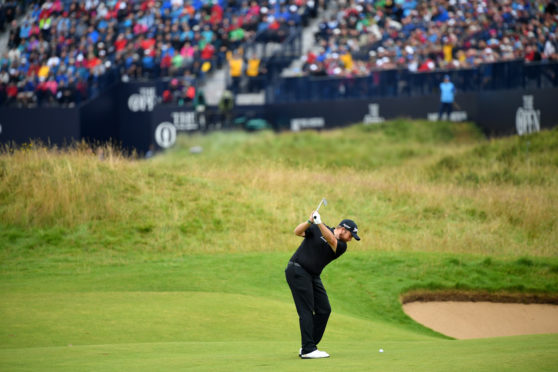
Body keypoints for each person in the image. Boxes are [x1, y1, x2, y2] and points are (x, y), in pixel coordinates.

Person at [285, 208, 360, 359]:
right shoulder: (317, 228)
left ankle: (308, 345)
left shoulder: (341, 246)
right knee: (306, 310)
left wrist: (319, 223)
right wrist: (309, 222)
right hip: (298, 270)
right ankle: (308, 349)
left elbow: (331, 239)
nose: (351, 239)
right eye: (351, 235)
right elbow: (297, 232)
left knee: (324, 309)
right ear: (343, 229)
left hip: (312, 275)